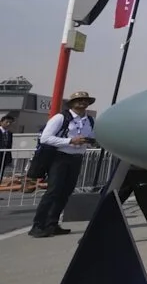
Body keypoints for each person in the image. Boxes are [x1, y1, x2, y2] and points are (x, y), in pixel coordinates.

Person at [28, 91, 98, 238]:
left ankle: (52, 223)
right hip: (60, 157)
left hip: (77, 157)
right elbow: (45, 138)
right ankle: (38, 225)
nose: (82, 103)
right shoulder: (60, 118)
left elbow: (92, 136)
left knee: (65, 192)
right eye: (78, 100)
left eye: (85, 100)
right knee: (53, 191)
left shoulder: (89, 120)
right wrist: (70, 141)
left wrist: (90, 141)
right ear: (71, 103)